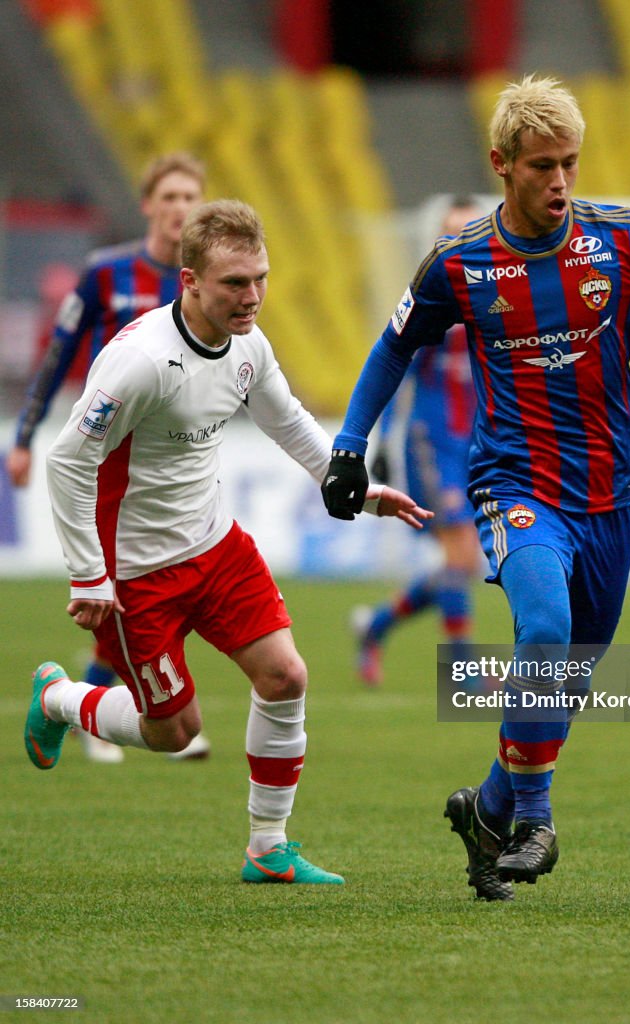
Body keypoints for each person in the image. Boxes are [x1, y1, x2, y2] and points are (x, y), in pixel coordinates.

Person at [321, 74, 630, 901]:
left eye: (570, 164)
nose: (559, 182)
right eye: (541, 165)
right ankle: (534, 818)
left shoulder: (616, 240)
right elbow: (393, 345)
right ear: (501, 164)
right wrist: (349, 446)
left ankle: (486, 811)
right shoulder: (460, 262)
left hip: (613, 490)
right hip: (515, 482)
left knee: (570, 671)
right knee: (543, 627)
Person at [24, 198, 432, 885]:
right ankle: (61, 699)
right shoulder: (141, 363)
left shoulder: (250, 344)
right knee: (171, 733)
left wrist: (354, 488)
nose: (251, 297)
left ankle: (267, 847)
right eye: (234, 284)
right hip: (136, 573)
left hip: (216, 549)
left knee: (285, 675)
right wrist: (89, 575)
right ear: (189, 282)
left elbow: (289, 423)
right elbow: (68, 461)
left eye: (260, 279)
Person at [7, 151, 210, 763]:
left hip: (172, 456)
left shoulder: (206, 277)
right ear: (148, 204)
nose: (179, 209)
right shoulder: (105, 273)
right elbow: (57, 353)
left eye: (190, 198)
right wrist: (23, 438)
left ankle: (122, 704)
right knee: (125, 581)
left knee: (173, 580)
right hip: (108, 453)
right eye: (169, 197)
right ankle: (107, 707)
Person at [351, 197, 486, 686]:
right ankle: (462, 668)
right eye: (452, 231)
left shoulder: (500, 294)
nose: (461, 239)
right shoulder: (428, 297)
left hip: (478, 443)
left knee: (464, 563)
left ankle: (374, 627)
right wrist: (384, 442)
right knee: (459, 549)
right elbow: (395, 368)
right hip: (432, 439)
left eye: (470, 230)